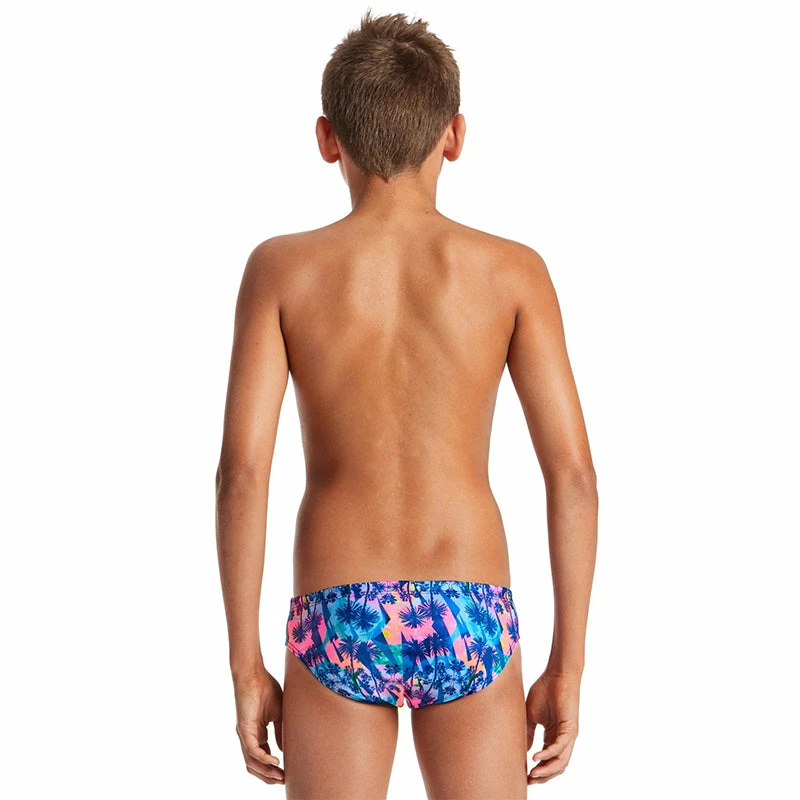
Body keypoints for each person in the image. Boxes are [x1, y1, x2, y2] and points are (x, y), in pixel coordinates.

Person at [215, 10, 598, 798]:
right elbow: (574, 476)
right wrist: (569, 663)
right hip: (470, 609)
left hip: (337, 611)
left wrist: (245, 664)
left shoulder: (282, 270)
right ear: (454, 135)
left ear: (328, 139)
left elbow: (242, 474)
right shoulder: (512, 272)